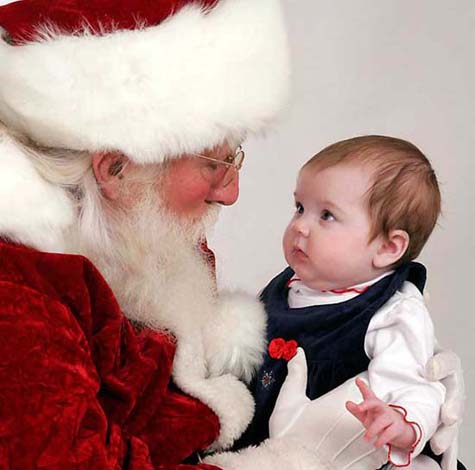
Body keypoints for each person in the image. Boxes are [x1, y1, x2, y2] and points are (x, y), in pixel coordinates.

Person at [0, 0, 464, 468]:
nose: (231, 192)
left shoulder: (139, 241)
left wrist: (406, 391)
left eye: (234, 157)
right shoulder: (18, 299)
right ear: (116, 169)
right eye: (215, 162)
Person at [227, 136, 465, 469]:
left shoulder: (394, 313)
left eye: (326, 215)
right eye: (299, 208)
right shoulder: (288, 286)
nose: (300, 226)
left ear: (387, 248)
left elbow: (417, 386)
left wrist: (401, 423)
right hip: (268, 450)